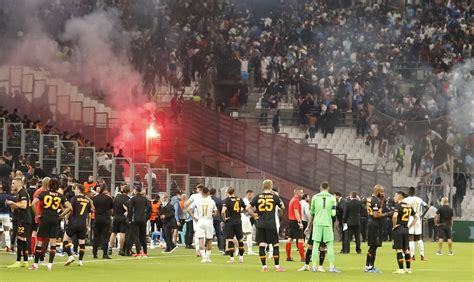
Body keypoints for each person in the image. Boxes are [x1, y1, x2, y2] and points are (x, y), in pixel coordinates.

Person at [28, 178, 72, 271]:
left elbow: (32, 204)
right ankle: (49, 265)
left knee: (39, 241)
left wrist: (37, 215)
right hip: (54, 219)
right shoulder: (60, 196)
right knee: (53, 243)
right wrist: (61, 215)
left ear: (49, 185)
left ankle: (36, 265)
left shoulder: (43, 193)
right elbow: (70, 207)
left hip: (44, 218)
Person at [246, 179, 286, 272]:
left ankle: (264, 267)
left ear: (263, 186)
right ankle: (277, 266)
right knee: (275, 244)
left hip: (260, 224)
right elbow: (283, 207)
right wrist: (277, 197)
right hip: (271, 224)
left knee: (262, 245)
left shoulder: (258, 196)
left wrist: (254, 215)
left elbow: (248, 208)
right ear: (271, 186)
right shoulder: (274, 196)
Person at [307, 182, 340, 273]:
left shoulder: (315, 197)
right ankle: (331, 267)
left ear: (320, 187)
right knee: (329, 245)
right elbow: (333, 213)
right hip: (327, 224)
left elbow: (311, 211)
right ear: (328, 188)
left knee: (315, 244)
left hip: (317, 223)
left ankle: (313, 267)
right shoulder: (332, 198)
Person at [6, 177, 33, 268]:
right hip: (22, 219)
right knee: (22, 240)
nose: (12, 185)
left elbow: (24, 205)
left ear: (18, 183)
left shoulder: (23, 192)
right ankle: (25, 261)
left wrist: (12, 203)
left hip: (24, 220)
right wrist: (13, 205)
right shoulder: (20, 193)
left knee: (21, 240)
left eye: (13, 183)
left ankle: (18, 261)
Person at [365, 184, 391, 273]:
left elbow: (376, 210)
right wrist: (388, 214)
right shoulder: (375, 200)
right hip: (374, 224)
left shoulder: (370, 199)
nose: (383, 193)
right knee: (374, 246)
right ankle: (371, 267)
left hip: (371, 223)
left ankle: (367, 266)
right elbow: (376, 215)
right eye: (382, 191)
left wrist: (382, 201)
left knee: (372, 246)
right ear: (378, 191)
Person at [63, 184, 92, 267]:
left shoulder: (74, 198)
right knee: (82, 242)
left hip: (74, 222)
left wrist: (66, 218)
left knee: (65, 239)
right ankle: (80, 261)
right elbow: (88, 215)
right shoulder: (87, 200)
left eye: (75, 189)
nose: (74, 191)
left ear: (79, 190)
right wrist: (88, 225)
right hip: (83, 224)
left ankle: (70, 256)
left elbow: (70, 209)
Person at [188, 186, 217, 263]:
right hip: (209, 221)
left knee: (201, 239)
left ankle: (203, 258)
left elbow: (188, 209)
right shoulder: (211, 201)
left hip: (200, 220)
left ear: (202, 193)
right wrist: (213, 215)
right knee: (209, 239)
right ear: (208, 193)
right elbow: (216, 212)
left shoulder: (197, 201)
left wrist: (194, 217)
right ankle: (208, 257)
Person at [392, 191, 417, 274]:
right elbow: (416, 217)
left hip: (399, 229)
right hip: (406, 229)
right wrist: (410, 226)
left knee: (398, 249)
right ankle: (408, 269)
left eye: (395, 196)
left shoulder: (398, 206)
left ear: (399, 196)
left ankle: (401, 269)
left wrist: (394, 225)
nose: (394, 197)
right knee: (406, 250)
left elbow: (395, 216)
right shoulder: (409, 206)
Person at [221, 187, 246, 263]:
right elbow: (246, 208)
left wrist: (224, 219)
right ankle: (241, 258)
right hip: (238, 221)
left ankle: (232, 259)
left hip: (230, 222)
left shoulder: (227, 200)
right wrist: (240, 212)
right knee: (240, 239)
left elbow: (223, 211)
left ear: (228, 192)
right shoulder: (239, 199)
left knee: (230, 240)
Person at [404, 187, 429, 261]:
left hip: (410, 218)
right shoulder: (419, 199)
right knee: (419, 237)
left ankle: (412, 256)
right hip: (417, 218)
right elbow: (427, 207)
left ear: (409, 192)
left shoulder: (406, 200)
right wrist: (422, 216)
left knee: (410, 237)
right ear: (415, 192)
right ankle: (422, 256)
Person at [127, 186, 150, 257]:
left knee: (136, 236)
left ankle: (139, 251)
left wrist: (129, 219)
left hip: (135, 220)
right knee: (143, 236)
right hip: (143, 220)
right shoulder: (145, 199)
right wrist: (146, 218)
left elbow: (130, 209)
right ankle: (145, 252)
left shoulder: (133, 199)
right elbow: (149, 209)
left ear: (136, 191)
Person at [92, 184, 113, 259]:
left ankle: (94, 253)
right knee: (105, 237)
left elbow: (93, 207)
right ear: (106, 189)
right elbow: (111, 208)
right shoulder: (109, 198)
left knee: (96, 236)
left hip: (97, 218)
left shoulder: (95, 198)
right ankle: (105, 254)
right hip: (106, 219)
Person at [109, 185, 130, 256]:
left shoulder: (117, 197)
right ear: (128, 191)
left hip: (115, 217)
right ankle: (120, 250)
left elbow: (112, 206)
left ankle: (110, 249)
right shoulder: (128, 199)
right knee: (122, 233)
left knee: (113, 233)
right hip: (123, 217)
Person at [285, 188, 305, 262]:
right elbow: (296, 211)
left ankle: (288, 257)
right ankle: (303, 258)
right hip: (296, 221)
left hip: (291, 221)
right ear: (298, 193)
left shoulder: (292, 200)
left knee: (290, 238)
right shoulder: (296, 201)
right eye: (301, 193)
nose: (302, 194)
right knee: (300, 239)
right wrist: (300, 222)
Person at [186, 184, 203, 256]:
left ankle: (197, 249)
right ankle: (203, 249)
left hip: (196, 215)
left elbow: (187, 203)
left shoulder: (194, 196)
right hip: (204, 216)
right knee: (204, 233)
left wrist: (191, 210)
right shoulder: (206, 196)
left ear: (198, 189)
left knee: (196, 233)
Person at [0, 183, 15, 251]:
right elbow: (16, 199)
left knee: (0, 231)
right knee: (6, 231)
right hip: (6, 215)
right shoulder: (7, 196)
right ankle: (8, 246)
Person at [241, 190, 256, 255]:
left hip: (244, 218)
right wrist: (254, 215)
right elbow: (248, 210)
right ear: (249, 194)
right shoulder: (245, 201)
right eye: (252, 195)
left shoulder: (244, 200)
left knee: (243, 235)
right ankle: (249, 251)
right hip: (244, 218)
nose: (252, 196)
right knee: (249, 233)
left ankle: (239, 250)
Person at [210, 188, 224, 252]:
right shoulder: (218, 200)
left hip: (209, 218)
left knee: (208, 233)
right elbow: (221, 209)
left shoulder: (208, 200)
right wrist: (221, 219)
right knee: (218, 233)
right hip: (217, 218)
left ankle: (206, 246)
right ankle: (221, 248)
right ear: (215, 193)